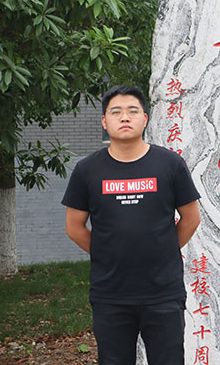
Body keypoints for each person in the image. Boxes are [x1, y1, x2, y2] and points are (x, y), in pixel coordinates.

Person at [61, 85, 201, 365]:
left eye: (132, 111)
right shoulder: (87, 170)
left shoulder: (170, 164)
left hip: (163, 292)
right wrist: (106, 252)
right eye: (116, 112)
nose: (124, 117)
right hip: (111, 293)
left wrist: (162, 250)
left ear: (145, 119)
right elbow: (74, 227)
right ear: (104, 121)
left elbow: (191, 218)